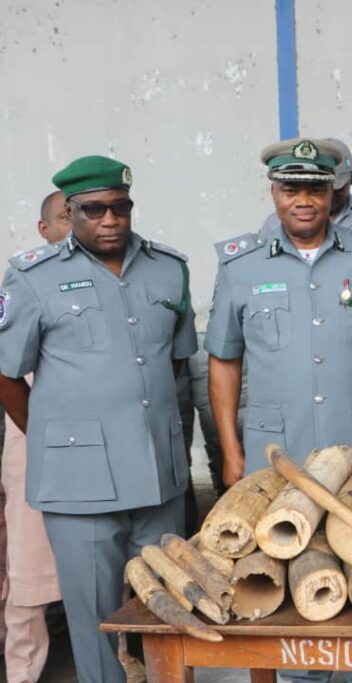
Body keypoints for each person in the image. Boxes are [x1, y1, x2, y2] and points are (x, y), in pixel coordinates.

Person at [0, 156, 197, 683]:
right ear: (70, 211)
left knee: (168, 608)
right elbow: (5, 373)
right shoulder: (31, 276)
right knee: (96, 617)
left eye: (120, 207)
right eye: (92, 210)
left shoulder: (167, 268)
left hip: (159, 476)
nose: (109, 220)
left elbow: (174, 361)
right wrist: (52, 440)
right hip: (78, 485)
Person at [205, 137, 352, 487]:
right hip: (274, 452)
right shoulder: (241, 267)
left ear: (332, 193)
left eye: (315, 190)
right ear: (273, 193)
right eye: (290, 190)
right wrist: (232, 452)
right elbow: (224, 361)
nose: (304, 202)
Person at [0, 191, 70, 682]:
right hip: (30, 438)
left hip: (96, 443)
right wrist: (38, 434)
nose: (78, 224)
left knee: (100, 572)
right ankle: (22, 674)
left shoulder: (117, 279)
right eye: (65, 217)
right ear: (43, 230)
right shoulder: (20, 282)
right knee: (26, 576)